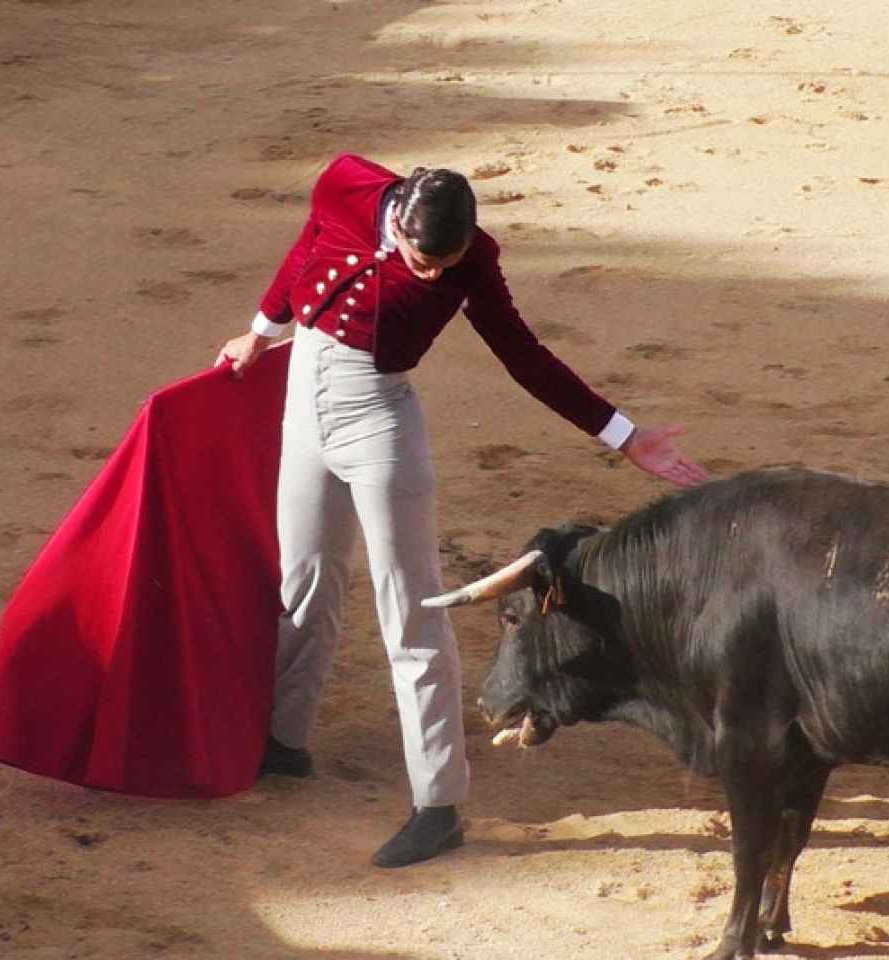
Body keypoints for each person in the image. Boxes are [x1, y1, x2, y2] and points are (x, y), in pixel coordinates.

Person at [215, 153, 707, 868]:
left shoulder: (472, 260)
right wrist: (260, 331)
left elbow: (522, 353)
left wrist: (624, 436)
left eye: (447, 262)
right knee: (305, 578)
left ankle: (437, 802)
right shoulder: (345, 185)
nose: (434, 275)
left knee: (412, 610)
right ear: (399, 220)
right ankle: (283, 741)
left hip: (378, 426)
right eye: (424, 259)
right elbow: (305, 247)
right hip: (304, 406)